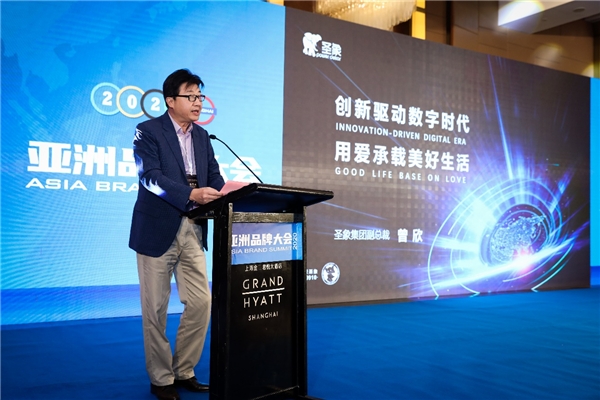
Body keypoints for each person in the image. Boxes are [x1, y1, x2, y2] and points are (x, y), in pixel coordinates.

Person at [129, 69, 225, 400]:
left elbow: (214, 175)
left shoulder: (202, 136)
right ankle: (161, 379)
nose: (198, 103)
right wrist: (190, 194)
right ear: (170, 100)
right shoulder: (148, 131)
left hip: (193, 227)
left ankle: (184, 369)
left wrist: (226, 192)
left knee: (201, 302)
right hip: (157, 227)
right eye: (191, 96)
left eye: (200, 96)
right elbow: (150, 176)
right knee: (155, 309)